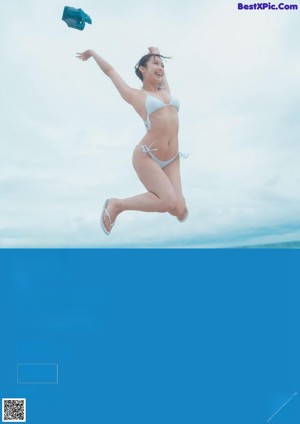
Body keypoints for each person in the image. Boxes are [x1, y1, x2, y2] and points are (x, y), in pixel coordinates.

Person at [76, 46, 188, 235]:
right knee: (168, 201)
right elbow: (111, 72)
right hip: (147, 156)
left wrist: (155, 51)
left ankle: (164, 200)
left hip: (172, 158)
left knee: (179, 211)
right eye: (155, 63)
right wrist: (94, 54)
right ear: (142, 69)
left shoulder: (165, 89)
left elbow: (158, 62)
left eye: (162, 65)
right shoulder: (135, 95)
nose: (160, 67)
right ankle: (117, 204)